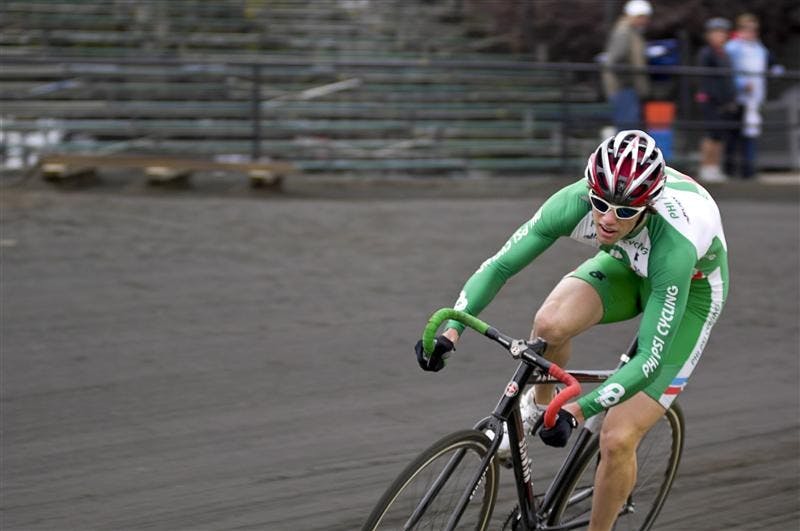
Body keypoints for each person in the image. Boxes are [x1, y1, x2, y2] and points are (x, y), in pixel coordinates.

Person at [415, 130, 729, 531]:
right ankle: (535, 407)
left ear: (647, 207)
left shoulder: (674, 246)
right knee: (549, 324)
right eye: (600, 204)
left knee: (617, 438)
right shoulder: (573, 202)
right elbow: (499, 265)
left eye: (625, 211)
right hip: (628, 262)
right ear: (589, 190)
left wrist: (580, 410)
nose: (608, 219)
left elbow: (650, 359)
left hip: (690, 288)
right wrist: (453, 328)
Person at [724, 13, 776, 179]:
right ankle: (731, 170)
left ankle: (748, 170)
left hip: (754, 99)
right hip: (737, 98)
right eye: (747, 29)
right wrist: (741, 84)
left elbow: (766, 64)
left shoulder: (759, 48)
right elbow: (728, 71)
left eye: (753, 29)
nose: (751, 33)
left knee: (750, 134)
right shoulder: (733, 47)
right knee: (733, 135)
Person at [695, 17, 738, 183]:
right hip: (712, 100)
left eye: (722, 33)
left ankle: (715, 167)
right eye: (716, 32)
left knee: (720, 135)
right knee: (711, 134)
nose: (720, 36)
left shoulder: (724, 54)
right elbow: (706, 79)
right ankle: (706, 167)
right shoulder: (707, 53)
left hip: (723, 101)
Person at [602, 0, 652, 131]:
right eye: (640, 17)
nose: (644, 21)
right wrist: (628, 82)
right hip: (624, 88)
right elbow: (617, 59)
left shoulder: (632, 32)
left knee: (629, 129)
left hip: (627, 88)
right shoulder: (624, 32)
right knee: (627, 130)